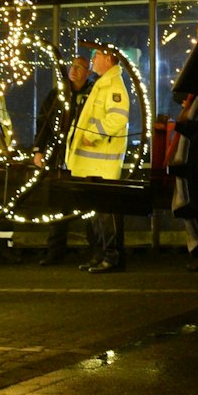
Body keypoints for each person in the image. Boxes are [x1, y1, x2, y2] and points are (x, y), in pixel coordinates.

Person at [65, 45, 133, 272]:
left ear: (109, 59)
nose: (93, 58)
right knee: (97, 213)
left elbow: (117, 119)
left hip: (102, 163)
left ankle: (112, 257)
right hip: (94, 163)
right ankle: (101, 254)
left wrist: (91, 136)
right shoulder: (103, 83)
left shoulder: (113, 85)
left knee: (104, 213)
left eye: (98, 55)